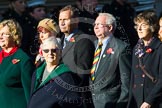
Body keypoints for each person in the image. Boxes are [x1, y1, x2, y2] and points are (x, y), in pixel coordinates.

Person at [28, 36, 84, 108]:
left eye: (54, 50)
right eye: (46, 50)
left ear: (60, 52)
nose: (50, 53)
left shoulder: (66, 77)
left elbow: (74, 103)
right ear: (42, 53)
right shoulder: (36, 73)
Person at [90, 13, 132, 108]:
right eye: (95, 24)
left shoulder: (121, 48)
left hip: (110, 102)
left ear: (110, 28)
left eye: (99, 24)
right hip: (90, 102)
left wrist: (121, 104)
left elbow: (126, 81)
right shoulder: (92, 45)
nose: (95, 27)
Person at [59, 5, 95, 107]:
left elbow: (82, 73)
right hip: (60, 97)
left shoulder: (83, 40)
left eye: (65, 19)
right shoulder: (59, 41)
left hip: (75, 98)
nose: (62, 23)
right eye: (60, 19)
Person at [127, 10, 162, 108]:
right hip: (137, 100)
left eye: (143, 25)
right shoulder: (136, 48)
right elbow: (133, 77)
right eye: (137, 25)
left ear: (152, 28)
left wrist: (149, 101)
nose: (139, 29)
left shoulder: (159, 47)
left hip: (153, 101)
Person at [0, 19, 35, 108]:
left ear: (14, 36)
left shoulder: (23, 60)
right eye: (0, 34)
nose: (0, 37)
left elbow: (29, 93)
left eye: (4, 34)